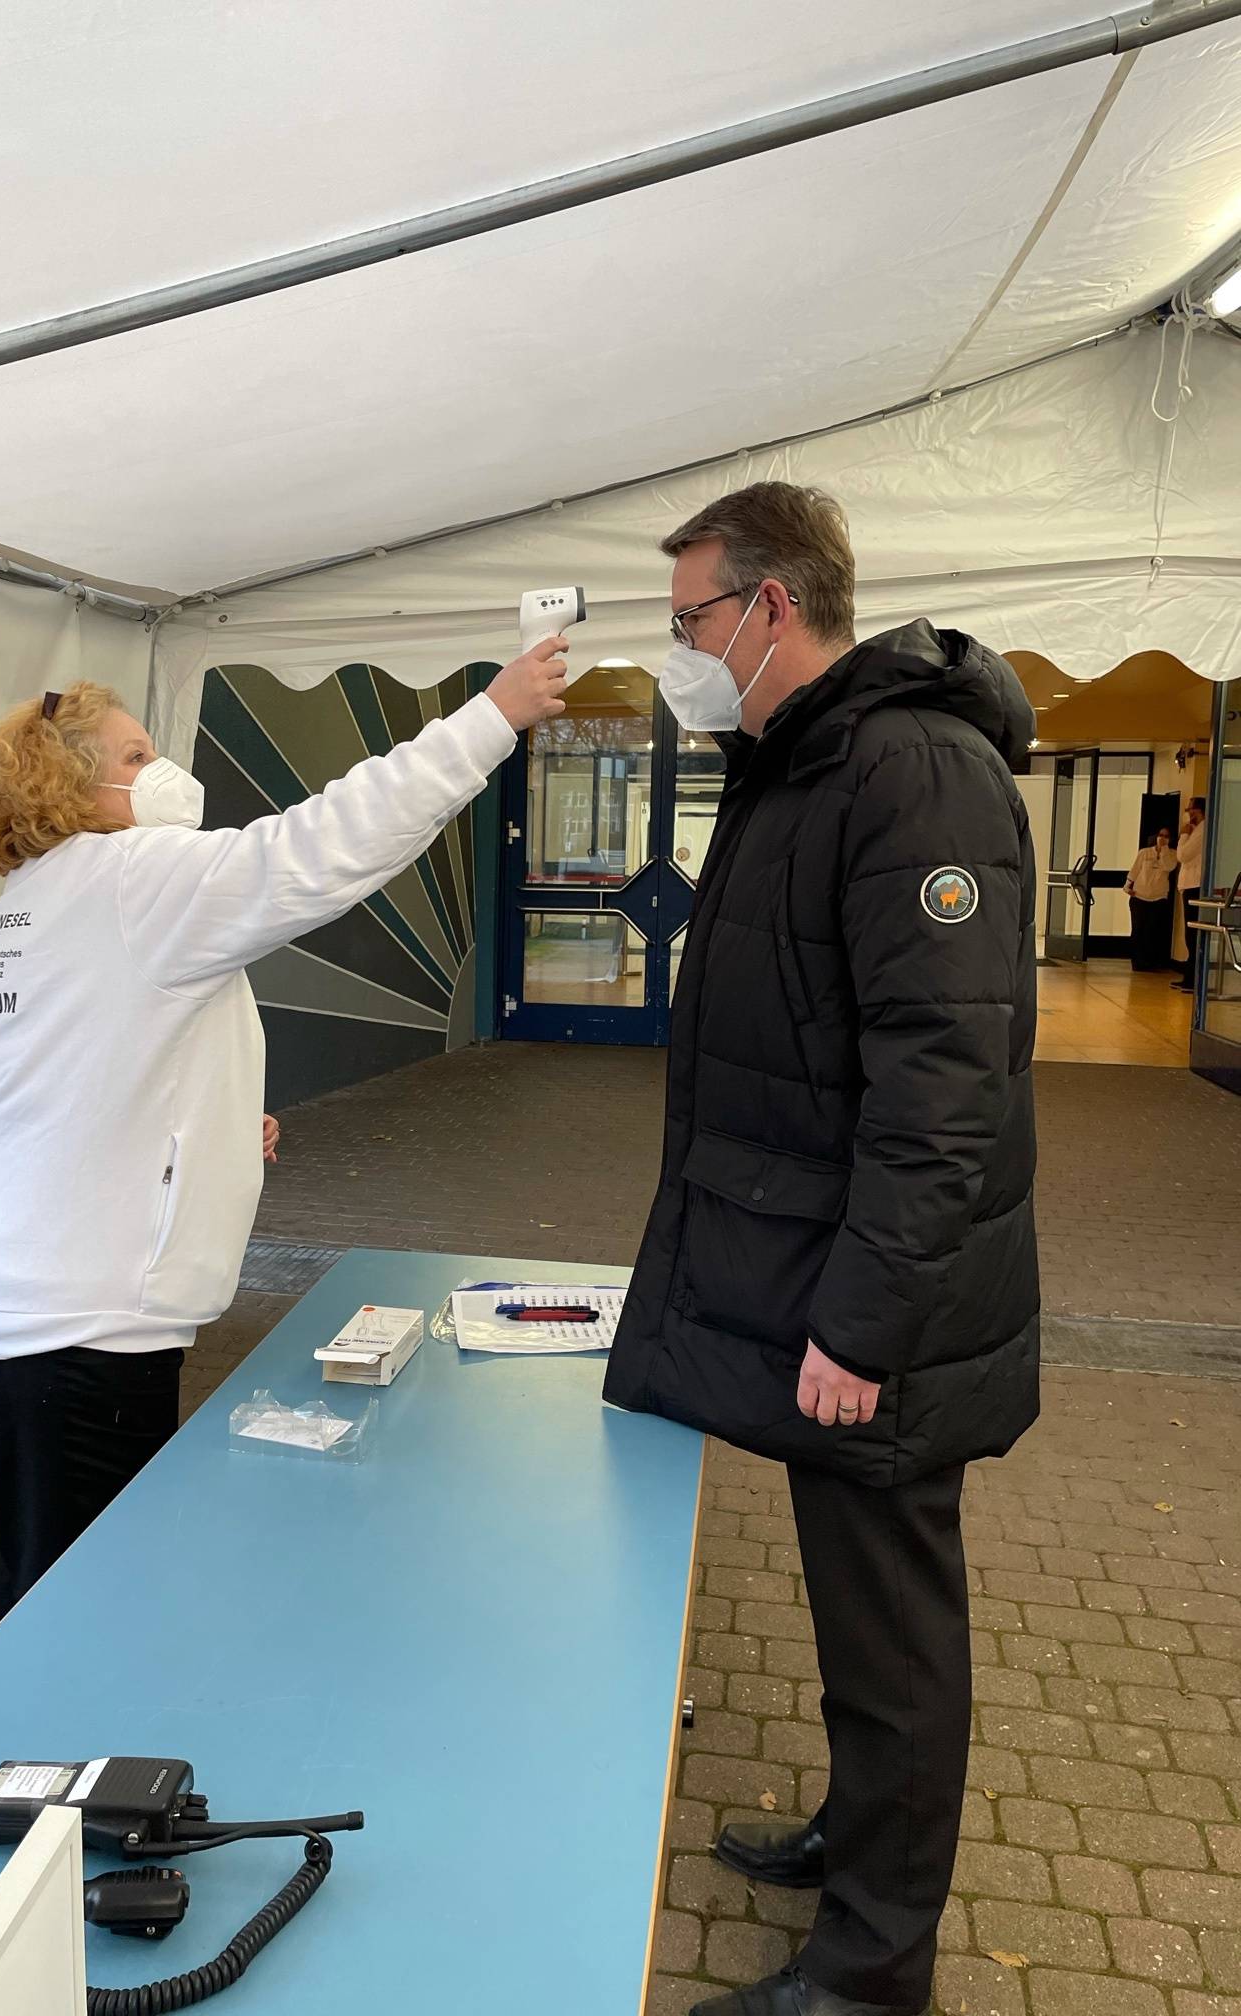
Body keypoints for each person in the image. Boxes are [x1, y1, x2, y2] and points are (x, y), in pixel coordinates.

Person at [603, 482, 1039, 2016]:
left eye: (691, 620)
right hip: (830, 1286)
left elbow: (945, 1087)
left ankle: (871, 1971)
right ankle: (858, 1838)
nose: (681, 650)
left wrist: (857, 1323)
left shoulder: (913, 774)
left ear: (771, 607)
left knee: (898, 1641)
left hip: (885, 1313)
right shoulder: (806, 759)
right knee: (857, 1619)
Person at [0, 641, 568, 1628]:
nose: (163, 771)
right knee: (75, 1598)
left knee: (41, 1551)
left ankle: (45, 1705)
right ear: (73, 783)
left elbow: (76, 1073)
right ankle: (45, 1724)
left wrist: (213, 1125)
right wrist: (490, 719)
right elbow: (322, 844)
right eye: (137, 757)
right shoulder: (134, 876)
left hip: (6, 1289)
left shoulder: (37, 896)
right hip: (69, 1319)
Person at [1125, 826, 1178, 972]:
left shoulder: (1173, 854)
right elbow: (1135, 870)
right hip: (1139, 896)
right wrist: (1127, 886)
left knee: (1152, 931)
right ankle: (1137, 962)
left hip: (1158, 898)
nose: (1162, 838)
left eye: (1166, 836)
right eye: (1160, 835)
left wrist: (1164, 850)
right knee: (1138, 930)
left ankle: (1150, 962)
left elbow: (1168, 867)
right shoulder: (1144, 852)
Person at [1173, 795, 1208, 992]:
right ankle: (1189, 975)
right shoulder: (1197, 830)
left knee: (1193, 934)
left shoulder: (1201, 830)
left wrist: (1184, 836)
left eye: (1190, 809)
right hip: (1189, 884)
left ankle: (1193, 979)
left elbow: (1183, 855)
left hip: (1195, 885)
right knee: (1189, 934)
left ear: (1198, 811)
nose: (1187, 813)